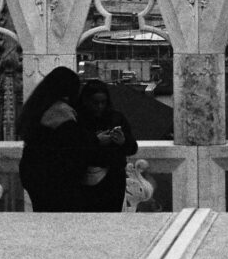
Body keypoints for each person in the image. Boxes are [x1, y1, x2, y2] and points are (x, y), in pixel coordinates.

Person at [17, 67, 97, 212]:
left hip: (33, 173)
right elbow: (75, 146)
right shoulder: (61, 111)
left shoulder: (38, 106)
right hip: (53, 178)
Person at [77, 80, 138, 212]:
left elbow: (133, 147)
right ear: (87, 101)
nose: (99, 106)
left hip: (113, 180)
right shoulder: (77, 119)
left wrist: (122, 141)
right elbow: (72, 149)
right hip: (83, 179)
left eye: (103, 102)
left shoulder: (116, 118)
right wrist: (95, 141)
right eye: (95, 103)